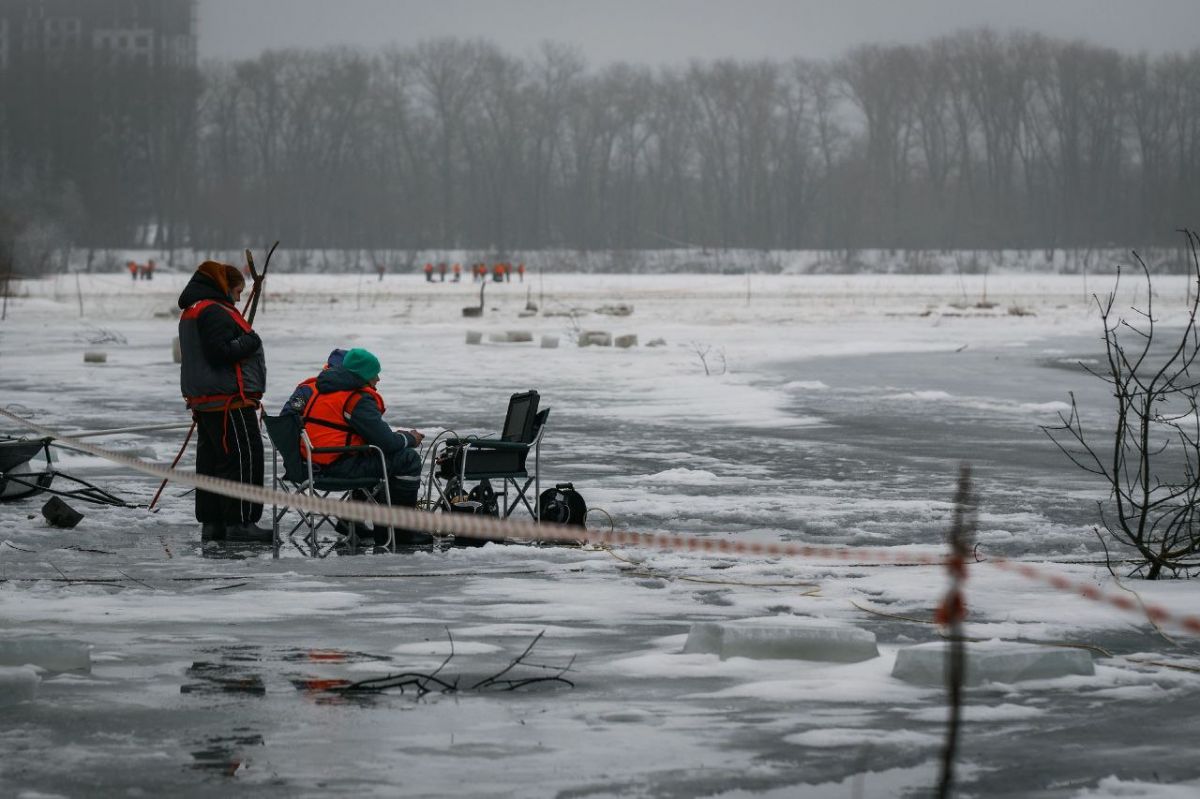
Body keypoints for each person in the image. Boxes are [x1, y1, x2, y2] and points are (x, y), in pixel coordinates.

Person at [177, 260, 271, 543]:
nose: (240, 298)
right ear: (225, 287)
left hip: (207, 400)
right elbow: (220, 352)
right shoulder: (214, 311)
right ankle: (240, 524)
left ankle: (213, 523)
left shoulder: (194, 310)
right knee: (242, 459)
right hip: (228, 400)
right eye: (238, 291)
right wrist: (251, 341)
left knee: (211, 462)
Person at [298, 348, 430, 546]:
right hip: (334, 468)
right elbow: (387, 443)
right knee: (407, 459)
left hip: (308, 463)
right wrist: (410, 438)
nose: (378, 379)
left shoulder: (319, 389)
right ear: (362, 376)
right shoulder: (356, 398)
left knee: (376, 456)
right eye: (374, 374)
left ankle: (352, 517)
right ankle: (400, 532)